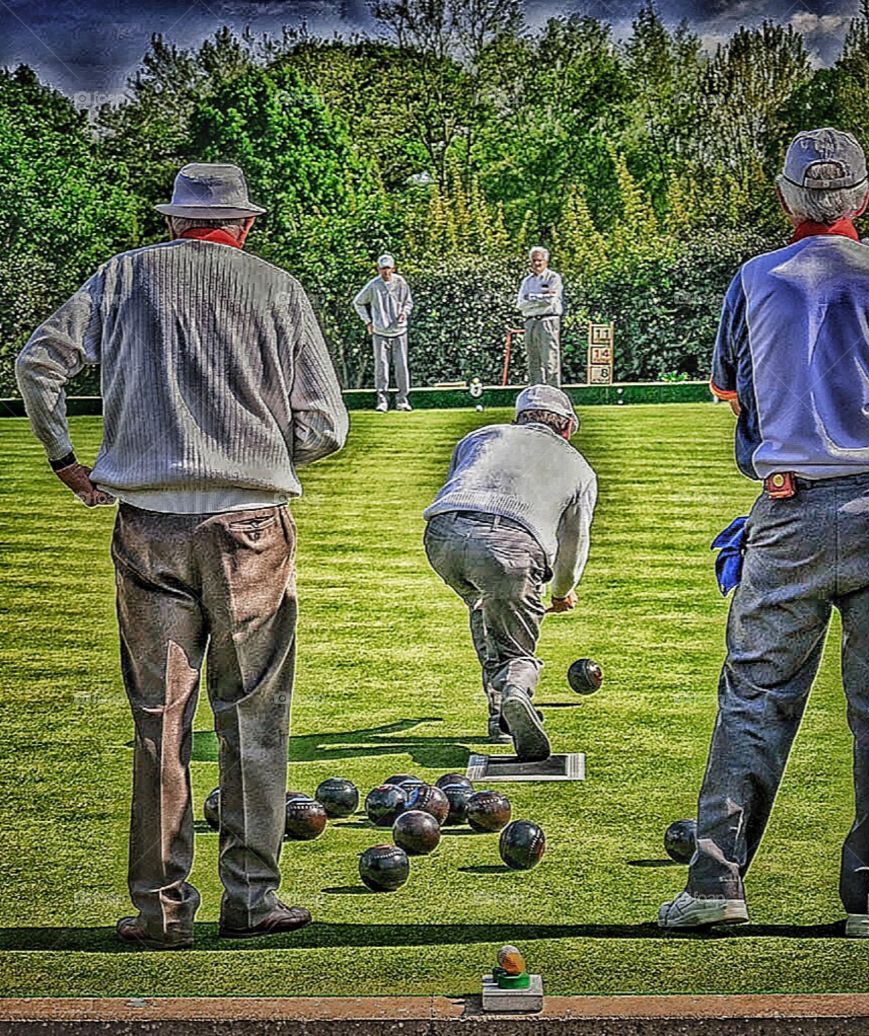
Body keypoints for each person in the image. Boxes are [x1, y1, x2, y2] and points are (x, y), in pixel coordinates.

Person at [16, 162, 349, 949]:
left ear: (172, 222)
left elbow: (38, 363)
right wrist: (266, 454)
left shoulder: (123, 275)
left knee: (158, 724)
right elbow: (327, 427)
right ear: (244, 224)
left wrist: (65, 457)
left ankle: (160, 909)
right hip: (249, 527)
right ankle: (253, 899)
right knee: (254, 717)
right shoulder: (277, 288)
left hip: (148, 526)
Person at [658, 129, 869, 938]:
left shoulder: (754, 278)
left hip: (789, 507)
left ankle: (717, 886)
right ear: (864, 198)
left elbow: (728, 388)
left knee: (754, 697)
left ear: (786, 198)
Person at [423, 385, 597, 760]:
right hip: (511, 547)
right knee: (516, 646)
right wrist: (562, 591)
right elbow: (574, 542)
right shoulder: (579, 467)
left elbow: (460, 482)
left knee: (484, 608)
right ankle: (516, 693)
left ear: (519, 418)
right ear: (566, 427)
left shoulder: (479, 437)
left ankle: (499, 715)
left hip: (442, 535)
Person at [353, 254, 414, 412]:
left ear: (393, 268)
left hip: (400, 331)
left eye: (388, 268)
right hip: (380, 332)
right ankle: (382, 400)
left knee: (401, 366)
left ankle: (402, 400)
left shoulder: (401, 282)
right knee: (381, 366)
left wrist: (404, 313)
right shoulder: (373, 285)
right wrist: (368, 321)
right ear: (378, 269)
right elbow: (358, 302)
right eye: (382, 268)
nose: (385, 271)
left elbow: (408, 302)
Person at [516, 246, 563, 387]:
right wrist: (539, 298)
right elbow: (521, 304)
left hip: (548, 321)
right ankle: (536, 393)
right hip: (530, 321)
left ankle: (553, 392)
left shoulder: (553, 278)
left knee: (550, 359)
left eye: (539, 261)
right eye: (533, 261)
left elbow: (549, 301)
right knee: (533, 360)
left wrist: (531, 297)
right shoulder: (527, 281)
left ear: (546, 261)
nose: (536, 264)